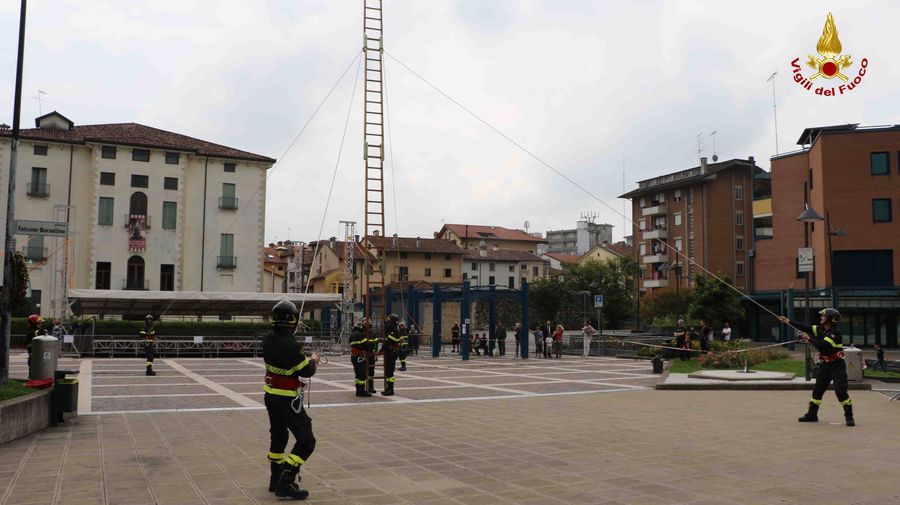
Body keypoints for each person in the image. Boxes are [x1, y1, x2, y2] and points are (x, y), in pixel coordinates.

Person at [263, 299, 320, 499]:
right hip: (288, 400)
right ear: (294, 320)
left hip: (271, 396)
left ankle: (274, 479)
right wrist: (314, 359)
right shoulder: (292, 345)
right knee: (306, 441)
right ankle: (286, 482)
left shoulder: (267, 339)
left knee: (279, 437)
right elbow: (306, 370)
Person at [778, 308, 854, 426]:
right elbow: (804, 328)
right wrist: (787, 321)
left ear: (830, 319)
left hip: (837, 365)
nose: (821, 318)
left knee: (841, 392)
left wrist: (808, 338)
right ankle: (812, 415)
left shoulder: (834, 333)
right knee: (818, 390)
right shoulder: (820, 329)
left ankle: (849, 416)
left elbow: (823, 346)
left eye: (823, 316)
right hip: (825, 365)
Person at [349, 319, 374, 397]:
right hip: (360, 357)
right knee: (362, 375)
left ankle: (358, 391)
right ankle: (362, 391)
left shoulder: (352, 335)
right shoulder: (361, 335)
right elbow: (367, 346)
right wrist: (371, 350)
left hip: (354, 357)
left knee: (357, 375)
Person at [381, 314, 401, 396]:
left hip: (392, 352)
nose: (387, 322)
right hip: (388, 351)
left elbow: (395, 340)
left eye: (388, 320)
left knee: (390, 372)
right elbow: (386, 342)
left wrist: (388, 336)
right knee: (387, 371)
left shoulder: (394, 330)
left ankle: (390, 389)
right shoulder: (390, 329)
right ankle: (388, 388)